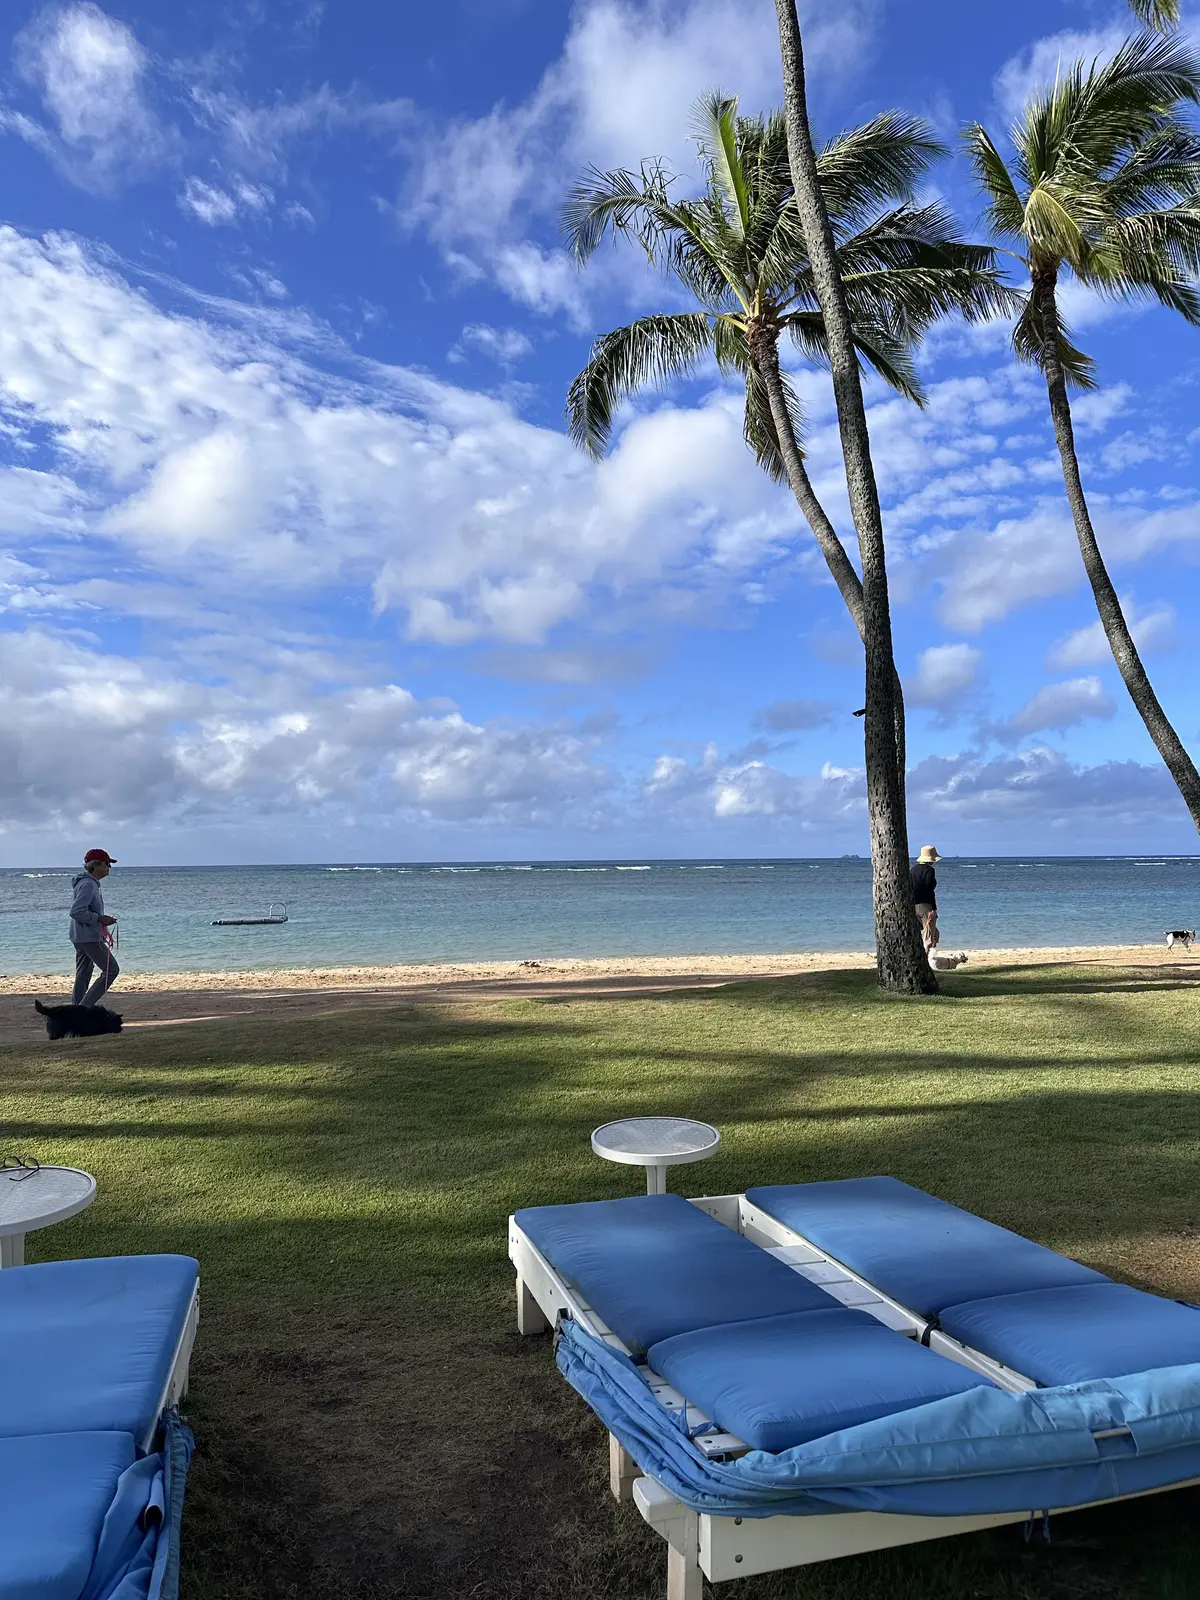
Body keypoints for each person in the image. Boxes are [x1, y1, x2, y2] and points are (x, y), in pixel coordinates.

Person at [70, 848, 120, 1006]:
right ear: (96, 865)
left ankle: (75, 1012)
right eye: (107, 864)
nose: (109, 868)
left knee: (83, 974)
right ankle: (83, 1009)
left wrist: (100, 919)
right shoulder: (88, 885)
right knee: (111, 970)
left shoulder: (87, 883)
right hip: (89, 937)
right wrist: (100, 918)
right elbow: (76, 911)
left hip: (80, 936)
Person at [910, 844, 940, 954]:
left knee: (933, 932)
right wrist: (933, 909)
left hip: (913, 904)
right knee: (930, 934)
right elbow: (929, 890)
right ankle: (927, 957)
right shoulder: (929, 870)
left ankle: (922, 954)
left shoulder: (913, 870)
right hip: (925, 904)